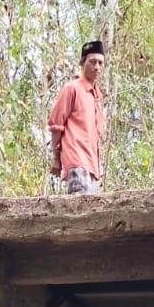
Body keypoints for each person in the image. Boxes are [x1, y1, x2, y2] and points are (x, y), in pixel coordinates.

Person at [48, 39, 107, 193]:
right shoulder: (72, 89)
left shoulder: (96, 96)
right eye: (92, 62)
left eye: (100, 63)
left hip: (93, 167)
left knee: (95, 213)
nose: (97, 67)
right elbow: (56, 125)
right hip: (77, 161)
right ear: (82, 63)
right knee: (81, 209)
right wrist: (56, 158)